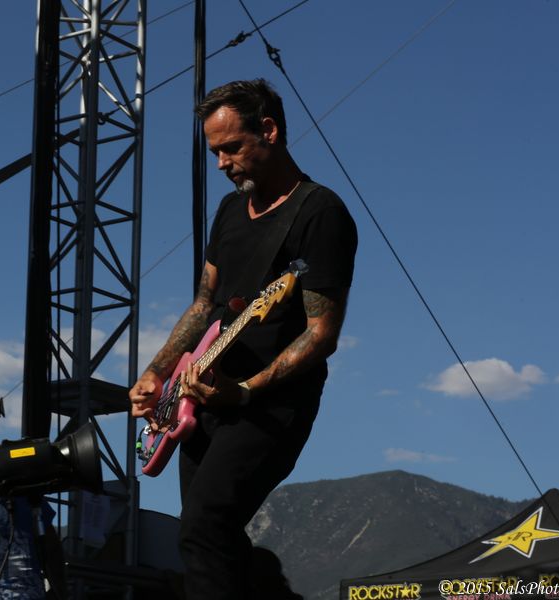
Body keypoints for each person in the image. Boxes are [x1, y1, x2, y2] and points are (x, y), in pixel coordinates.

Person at [129, 79, 357, 600]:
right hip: (198, 396)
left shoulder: (319, 213)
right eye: (215, 152)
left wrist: (246, 390)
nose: (221, 164)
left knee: (204, 525)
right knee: (210, 538)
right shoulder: (232, 211)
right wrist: (157, 374)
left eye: (231, 148)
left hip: (270, 404)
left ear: (269, 131)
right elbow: (203, 305)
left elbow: (321, 333)